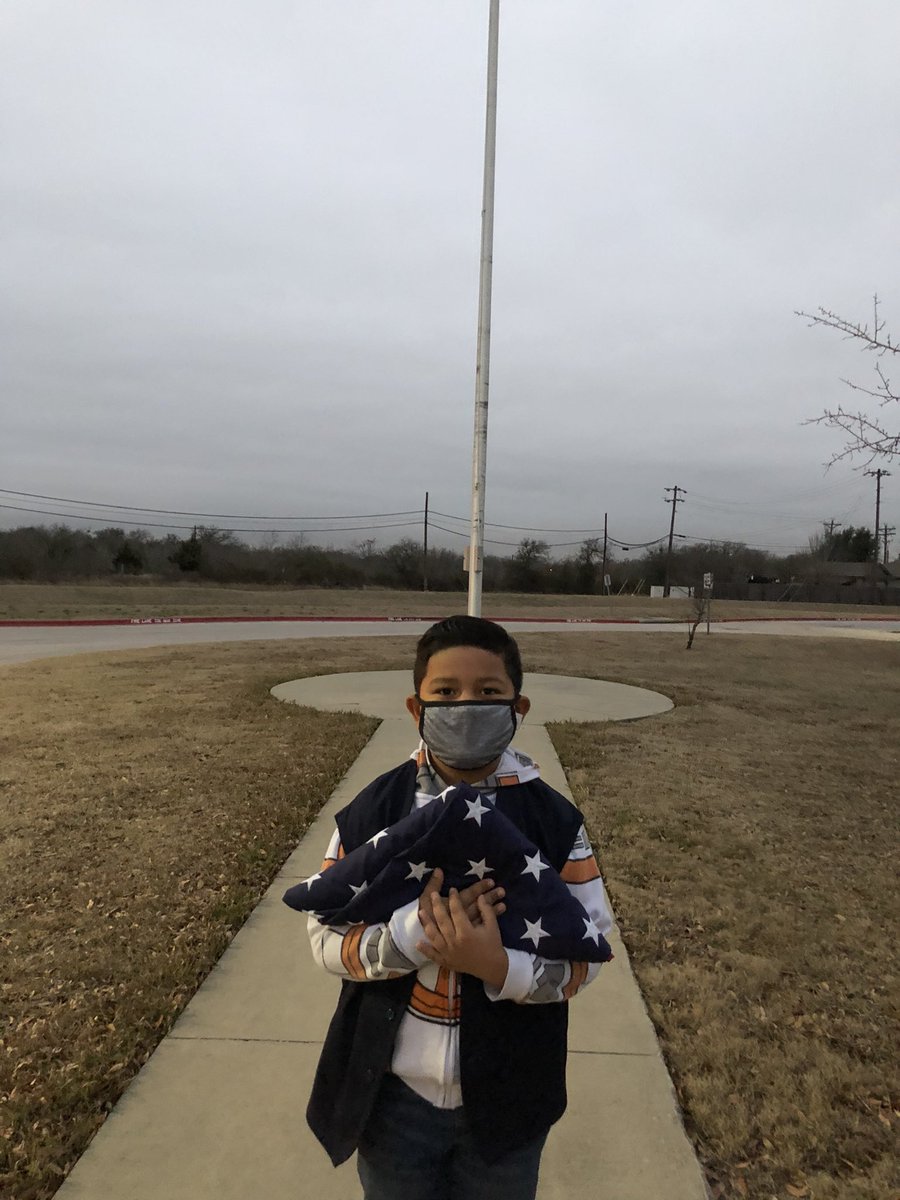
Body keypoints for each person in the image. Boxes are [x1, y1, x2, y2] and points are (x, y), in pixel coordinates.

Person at [305, 615, 613, 1200]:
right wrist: (411, 939)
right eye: (445, 693)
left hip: (508, 1106)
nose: (465, 705)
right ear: (415, 706)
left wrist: (496, 966)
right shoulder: (372, 816)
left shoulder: (556, 825)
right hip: (390, 1099)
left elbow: (587, 957)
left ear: (518, 707)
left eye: (488, 693)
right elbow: (324, 938)